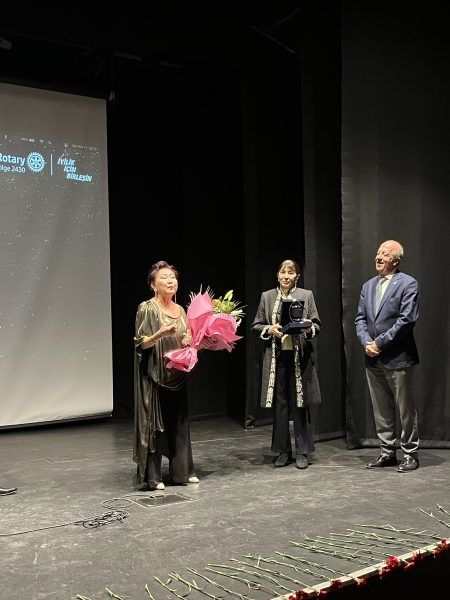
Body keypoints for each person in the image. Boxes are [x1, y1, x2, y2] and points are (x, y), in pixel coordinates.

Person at [355, 240, 420, 473]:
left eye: (385, 254)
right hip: (373, 357)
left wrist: (379, 344)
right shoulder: (368, 286)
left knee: (404, 409)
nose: (379, 257)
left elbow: (406, 320)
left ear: (396, 260)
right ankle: (387, 452)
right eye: (378, 253)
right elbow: (360, 319)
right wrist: (366, 343)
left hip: (398, 357)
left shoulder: (408, 283)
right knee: (381, 408)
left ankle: (410, 454)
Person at [134, 261, 199, 490]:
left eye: (173, 277)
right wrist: (159, 335)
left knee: (179, 424)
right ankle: (154, 477)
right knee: (155, 425)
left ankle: (182, 472)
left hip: (177, 374)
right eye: (164, 277)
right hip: (155, 376)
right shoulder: (147, 308)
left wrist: (193, 343)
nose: (170, 281)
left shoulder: (181, 310)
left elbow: (185, 339)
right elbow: (141, 343)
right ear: (153, 285)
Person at [251, 260, 322, 469]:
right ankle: (283, 451)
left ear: (297, 276)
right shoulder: (267, 296)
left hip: (299, 357)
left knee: (300, 403)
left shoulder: (306, 295)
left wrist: (308, 328)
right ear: (277, 275)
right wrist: (269, 329)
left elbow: (316, 323)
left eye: (291, 273)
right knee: (280, 404)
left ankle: (302, 451)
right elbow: (256, 324)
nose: (286, 276)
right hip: (277, 357)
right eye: (283, 272)